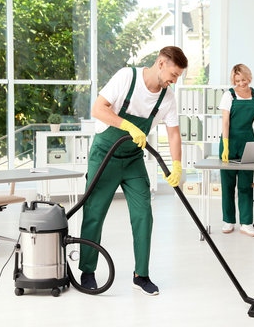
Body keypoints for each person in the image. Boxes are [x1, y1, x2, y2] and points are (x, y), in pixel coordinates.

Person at [79, 46, 188, 296]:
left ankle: (141, 275)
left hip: (132, 160)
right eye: (174, 74)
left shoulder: (167, 97)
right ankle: (87, 271)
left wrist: (177, 165)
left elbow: (173, 133)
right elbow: (98, 109)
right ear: (161, 63)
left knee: (143, 215)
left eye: (178, 76)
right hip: (104, 156)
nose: (175, 80)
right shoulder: (126, 77)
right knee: (94, 213)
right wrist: (127, 124)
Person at [219, 64, 254, 237]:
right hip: (230, 141)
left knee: (245, 184)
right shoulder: (229, 95)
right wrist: (226, 145)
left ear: (249, 78)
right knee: (228, 184)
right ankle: (228, 221)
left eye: (243, 80)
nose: (241, 83)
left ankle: (246, 223)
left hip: (248, 143)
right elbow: (226, 122)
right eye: (237, 80)